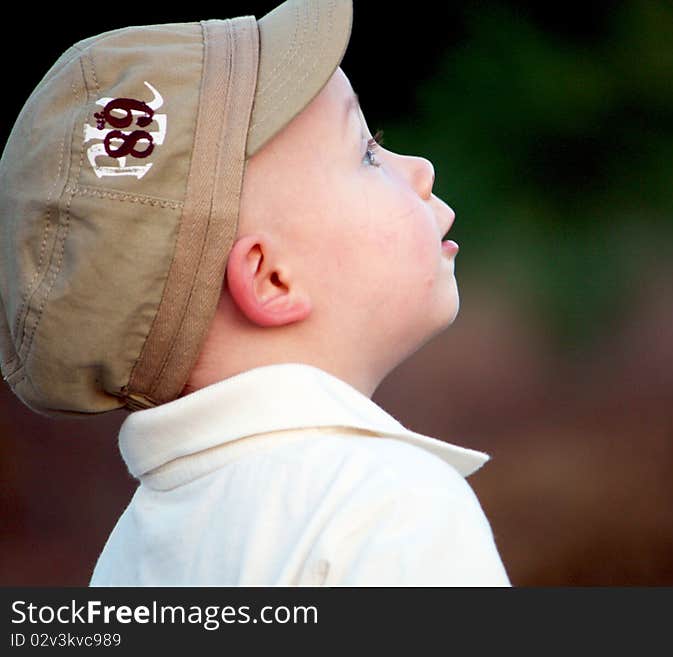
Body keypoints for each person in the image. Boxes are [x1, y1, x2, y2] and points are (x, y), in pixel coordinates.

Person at [0, 0, 511, 586]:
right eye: (366, 152)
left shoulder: (131, 556)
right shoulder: (389, 508)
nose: (420, 167)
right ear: (271, 278)